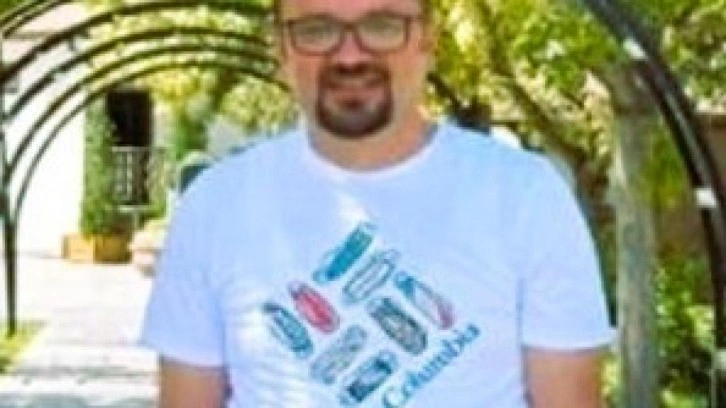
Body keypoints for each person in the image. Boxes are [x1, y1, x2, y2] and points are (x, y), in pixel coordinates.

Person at [140, 0, 614, 406]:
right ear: (281, 48)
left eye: (382, 25)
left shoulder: (523, 195)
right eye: (317, 29)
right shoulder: (216, 207)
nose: (350, 55)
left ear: (428, 39)